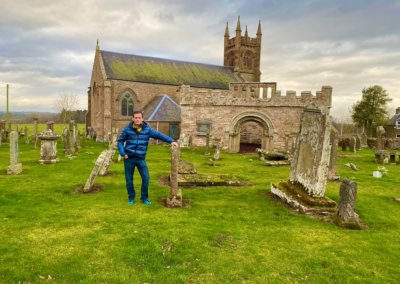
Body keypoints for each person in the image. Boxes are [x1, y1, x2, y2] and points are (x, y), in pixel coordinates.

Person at [117, 110, 178, 205]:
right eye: (136, 118)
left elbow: (159, 135)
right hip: (129, 158)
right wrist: (122, 153)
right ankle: (131, 198)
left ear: (142, 119)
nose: (137, 119)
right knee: (129, 180)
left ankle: (144, 198)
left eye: (139, 118)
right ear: (132, 118)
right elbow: (120, 141)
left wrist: (171, 141)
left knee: (146, 178)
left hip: (141, 159)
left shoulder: (147, 129)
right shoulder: (127, 129)